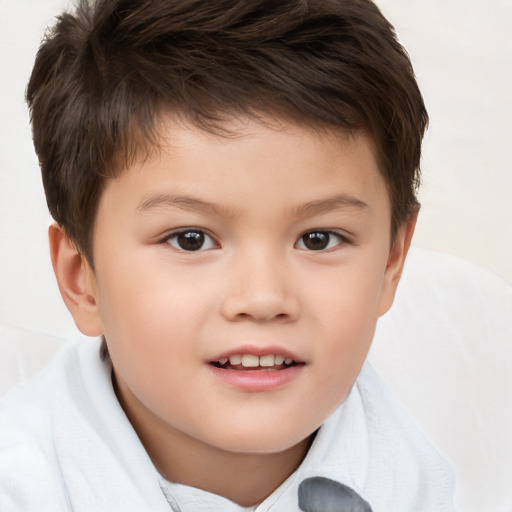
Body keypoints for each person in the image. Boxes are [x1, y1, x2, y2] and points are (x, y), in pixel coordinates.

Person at [0, 0, 455, 510]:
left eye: (319, 239)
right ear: (81, 277)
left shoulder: (431, 472)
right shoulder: (19, 485)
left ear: (392, 262)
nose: (262, 298)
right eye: (190, 239)